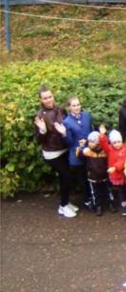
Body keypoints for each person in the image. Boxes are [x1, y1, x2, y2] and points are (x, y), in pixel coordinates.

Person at [33, 85, 77, 217]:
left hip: (64, 148)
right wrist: (43, 131)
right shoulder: (39, 116)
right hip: (52, 153)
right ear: (41, 100)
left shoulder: (60, 110)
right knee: (66, 176)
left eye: (50, 96)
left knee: (66, 177)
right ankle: (63, 206)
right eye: (45, 98)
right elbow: (38, 140)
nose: (48, 100)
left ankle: (67, 202)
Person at [62, 96, 94, 210]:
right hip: (77, 155)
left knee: (93, 175)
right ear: (69, 107)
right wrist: (64, 134)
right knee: (83, 179)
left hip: (90, 151)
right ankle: (87, 200)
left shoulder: (87, 116)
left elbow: (91, 131)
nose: (77, 107)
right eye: (74, 105)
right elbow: (69, 142)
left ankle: (96, 198)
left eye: (78, 105)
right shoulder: (66, 122)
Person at [99, 127, 126, 215]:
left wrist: (115, 167)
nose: (117, 144)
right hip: (116, 176)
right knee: (121, 191)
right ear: (111, 142)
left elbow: (124, 161)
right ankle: (124, 205)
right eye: (115, 142)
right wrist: (102, 135)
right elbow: (103, 144)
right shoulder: (109, 149)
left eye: (119, 142)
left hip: (125, 174)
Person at [75, 131, 109, 216]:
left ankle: (110, 203)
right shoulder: (87, 151)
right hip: (93, 177)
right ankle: (98, 206)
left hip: (104, 175)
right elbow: (79, 155)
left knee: (107, 191)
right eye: (89, 141)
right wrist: (82, 146)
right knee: (95, 193)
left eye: (92, 142)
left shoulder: (104, 152)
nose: (89, 143)